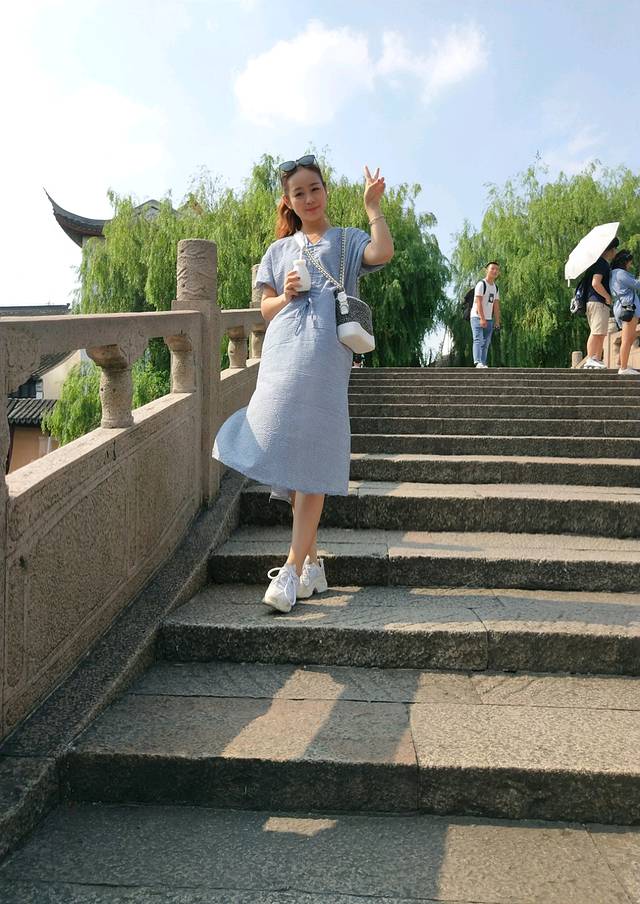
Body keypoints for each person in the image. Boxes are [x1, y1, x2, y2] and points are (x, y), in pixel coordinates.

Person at [213, 155, 393, 613]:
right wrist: (286, 294)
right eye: (299, 193)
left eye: (315, 189)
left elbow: (382, 253)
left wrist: (373, 209)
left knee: (313, 448)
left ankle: (292, 570)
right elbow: (264, 309)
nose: (309, 198)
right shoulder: (278, 251)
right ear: (288, 202)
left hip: (326, 353)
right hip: (281, 353)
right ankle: (313, 564)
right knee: (284, 446)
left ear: (325, 191)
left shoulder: (347, 240)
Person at [583, 236, 619, 369]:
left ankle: (596, 359)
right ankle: (590, 358)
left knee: (601, 332)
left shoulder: (599, 263)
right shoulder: (601, 263)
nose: (615, 252)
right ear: (610, 250)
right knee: (596, 331)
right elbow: (595, 283)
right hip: (597, 301)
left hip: (597, 302)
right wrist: (607, 296)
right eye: (615, 249)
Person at [610, 249, 640, 376]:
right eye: (629, 262)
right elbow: (637, 285)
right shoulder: (620, 273)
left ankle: (620, 362)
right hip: (627, 308)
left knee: (629, 337)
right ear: (624, 262)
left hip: (622, 307)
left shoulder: (613, 273)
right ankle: (623, 368)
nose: (630, 265)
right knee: (628, 339)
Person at [470, 261, 501, 368]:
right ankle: (477, 362)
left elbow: (496, 305)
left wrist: (497, 321)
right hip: (477, 317)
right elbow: (478, 302)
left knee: (486, 342)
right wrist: (482, 319)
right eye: (492, 268)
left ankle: (483, 363)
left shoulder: (495, 288)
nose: (495, 271)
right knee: (478, 339)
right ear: (486, 270)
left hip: (489, 319)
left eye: (497, 269)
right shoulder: (481, 284)